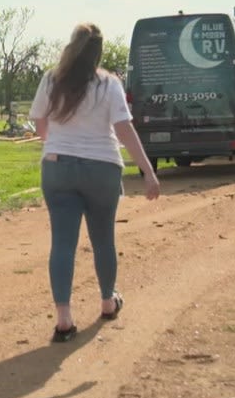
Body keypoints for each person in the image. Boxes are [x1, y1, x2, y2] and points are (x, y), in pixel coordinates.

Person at [29, 22, 161, 343]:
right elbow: (125, 129)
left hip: (58, 168)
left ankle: (63, 318)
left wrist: (54, 143)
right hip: (102, 168)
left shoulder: (51, 79)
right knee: (103, 238)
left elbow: (38, 120)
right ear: (98, 52)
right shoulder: (108, 83)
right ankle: (106, 300)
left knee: (63, 242)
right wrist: (147, 171)